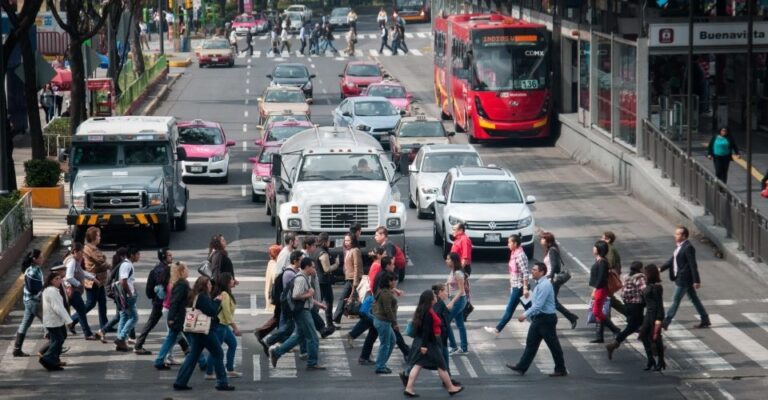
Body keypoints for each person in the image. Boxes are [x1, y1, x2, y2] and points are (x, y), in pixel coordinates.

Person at [506, 262, 567, 377]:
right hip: (540, 318)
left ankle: (561, 368)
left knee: (553, 345)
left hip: (546, 319)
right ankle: (521, 367)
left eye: (534, 270)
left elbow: (538, 305)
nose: (532, 271)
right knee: (531, 343)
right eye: (532, 269)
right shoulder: (540, 284)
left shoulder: (545, 285)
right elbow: (537, 301)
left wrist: (524, 315)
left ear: (542, 272)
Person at [173, 276, 234, 391]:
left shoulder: (194, 296)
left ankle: (180, 382)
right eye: (210, 285)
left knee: (193, 356)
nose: (211, 286)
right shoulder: (202, 297)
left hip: (195, 331)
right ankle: (222, 383)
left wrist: (213, 301)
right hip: (204, 331)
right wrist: (217, 301)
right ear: (205, 286)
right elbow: (211, 311)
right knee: (218, 353)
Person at [403, 290, 464, 397]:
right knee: (441, 365)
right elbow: (427, 330)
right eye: (434, 296)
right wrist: (425, 346)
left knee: (418, 365)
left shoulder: (422, 310)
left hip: (422, 342)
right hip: (429, 343)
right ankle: (450, 387)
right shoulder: (428, 313)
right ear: (430, 300)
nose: (436, 297)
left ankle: (409, 388)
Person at [269, 258, 326, 370]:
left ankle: (277, 352)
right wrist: (309, 294)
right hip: (302, 312)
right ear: (307, 267)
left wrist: (318, 304)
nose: (314, 269)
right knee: (313, 337)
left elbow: (303, 296)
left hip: (303, 310)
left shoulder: (303, 277)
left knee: (299, 336)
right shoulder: (301, 279)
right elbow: (296, 295)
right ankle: (312, 362)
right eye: (313, 267)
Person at [660, 226, 710, 329]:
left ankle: (666, 321)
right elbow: (672, 261)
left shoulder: (688, 247)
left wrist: (696, 280)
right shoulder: (680, 247)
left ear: (684, 236)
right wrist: (660, 269)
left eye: (678, 234)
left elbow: (693, 264)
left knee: (675, 299)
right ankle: (705, 319)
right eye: (675, 233)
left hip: (684, 279)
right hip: (680, 277)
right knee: (694, 299)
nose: (675, 235)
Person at [485, 235, 529, 337]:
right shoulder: (514, 253)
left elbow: (525, 273)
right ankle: (544, 323)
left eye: (509, 242)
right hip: (516, 286)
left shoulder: (520, 255)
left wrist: (525, 288)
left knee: (510, 309)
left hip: (520, 287)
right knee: (531, 308)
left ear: (515, 243)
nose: (508, 244)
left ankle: (497, 329)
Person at [134, 248, 173, 355]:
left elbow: (149, 290)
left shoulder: (154, 270)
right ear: (164, 257)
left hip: (157, 302)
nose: (171, 257)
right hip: (166, 303)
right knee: (175, 327)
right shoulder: (167, 270)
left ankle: (138, 344)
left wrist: (155, 297)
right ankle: (138, 345)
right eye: (169, 255)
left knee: (152, 323)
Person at [154, 261, 191, 370]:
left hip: (175, 315)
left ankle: (160, 359)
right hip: (177, 316)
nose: (188, 270)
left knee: (172, 337)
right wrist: (171, 318)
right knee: (188, 338)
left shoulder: (179, 283)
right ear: (181, 271)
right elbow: (174, 303)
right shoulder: (180, 284)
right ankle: (202, 361)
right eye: (187, 268)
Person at [606, 261, 646, 360]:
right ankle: (613, 344)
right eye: (642, 268)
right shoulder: (639, 278)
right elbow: (644, 290)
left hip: (628, 305)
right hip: (637, 306)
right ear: (640, 269)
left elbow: (623, 293)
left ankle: (614, 344)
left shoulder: (626, 277)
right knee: (637, 326)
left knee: (636, 326)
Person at [206, 273, 242, 379]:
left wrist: (233, 283)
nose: (233, 281)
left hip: (224, 325)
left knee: (233, 344)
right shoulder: (224, 295)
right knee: (216, 349)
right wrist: (235, 327)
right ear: (227, 282)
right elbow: (226, 313)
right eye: (231, 279)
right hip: (220, 326)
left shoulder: (226, 293)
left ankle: (230, 369)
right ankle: (209, 372)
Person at [540, 232, 579, 329]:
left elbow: (555, 266)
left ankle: (569, 317)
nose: (541, 240)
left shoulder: (552, 250)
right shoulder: (550, 250)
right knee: (550, 301)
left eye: (542, 238)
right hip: (550, 280)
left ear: (547, 240)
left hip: (552, 281)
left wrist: (549, 276)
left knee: (552, 302)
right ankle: (570, 317)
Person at [64, 242, 98, 341]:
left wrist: (92, 277)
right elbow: (69, 277)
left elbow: (81, 272)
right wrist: (78, 284)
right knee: (82, 311)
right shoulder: (72, 261)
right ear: (75, 252)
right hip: (73, 291)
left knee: (62, 312)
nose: (82, 254)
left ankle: (49, 332)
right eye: (81, 252)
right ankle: (87, 333)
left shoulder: (74, 260)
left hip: (70, 291)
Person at [81, 227, 110, 341]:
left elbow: (102, 260)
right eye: (98, 235)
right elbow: (100, 261)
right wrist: (107, 264)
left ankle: (105, 325)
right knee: (90, 303)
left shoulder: (94, 248)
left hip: (100, 281)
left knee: (102, 303)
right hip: (92, 281)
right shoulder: (88, 249)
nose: (100, 237)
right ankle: (73, 320)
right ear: (93, 237)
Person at [14, 250, 45, 357]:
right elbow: (33, 288)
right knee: (48, 321)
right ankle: (52, 346)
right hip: (33, 301)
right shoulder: (32, 271)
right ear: (34, 259)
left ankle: (17, 349)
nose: (43, 259)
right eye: (41, 257)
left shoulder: (35, 269)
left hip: (30, 300)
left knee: (25, 323)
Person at [40, 271, 73, 371]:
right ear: (51, 281)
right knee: (58, 340)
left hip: (55, 320)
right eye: (56, 279)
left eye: (60, 278)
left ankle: (55, 359)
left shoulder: (51, 290)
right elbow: (58, 308)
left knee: (61, 337)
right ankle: (47, 358)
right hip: (53, 321)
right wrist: (68, 320)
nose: (59, 280)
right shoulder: (52, 291)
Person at [588, 240, 620, 343]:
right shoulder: (599, 260)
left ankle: (615, 329)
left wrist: (595, 289)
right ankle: (599, 336)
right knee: (598, 312)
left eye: (595, 247)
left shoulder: (602, 262)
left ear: (599, 249)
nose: (593, 248)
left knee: (596, 311)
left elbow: (601, 278)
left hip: (601, 289)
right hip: (599, 289)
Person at [639, 264, 666, 371]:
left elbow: (659, 304)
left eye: (646, 273)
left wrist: (659, 319)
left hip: (655, 315)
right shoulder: (648, 286)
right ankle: (650, 360)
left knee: (656, 338)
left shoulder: (656, 288)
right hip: (648, 314)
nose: (644, 276)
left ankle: (660, 360)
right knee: (643, 335)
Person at [372, 272, 399, 374]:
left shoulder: (384, 291)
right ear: (388, 282)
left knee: (392, 341)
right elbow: (388, 309)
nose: (394, 282)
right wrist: (394, 323)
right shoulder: (385, 294)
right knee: (385, 344)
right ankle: (380, 366)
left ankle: (381, 363)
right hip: (383, 321)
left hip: (382, 321)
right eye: (392, 280)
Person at [115, 247, 141, 352]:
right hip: (126, 296)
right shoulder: (127, 265)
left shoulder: (126, 264)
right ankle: (121, 338)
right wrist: (130, 294)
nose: (139, 256)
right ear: (132, 255)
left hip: (123, 295)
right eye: (138, 254)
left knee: (124, 317)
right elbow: (123, 281)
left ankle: (120, 343)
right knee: (134, 317)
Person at [333, 233, 363, 324]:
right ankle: (337, 319)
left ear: (353, 241)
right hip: (348, 278)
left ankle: (335, 318)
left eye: (348, 240)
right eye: (345, 240)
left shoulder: (355, 250)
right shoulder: (347, 250)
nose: (346, 242)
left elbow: (357, 266)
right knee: (348, 298)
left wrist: (355, 281)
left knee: (344, 298)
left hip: (353, 278)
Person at [444, 252, 468, 355]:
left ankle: (453, 346)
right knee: (460, 324)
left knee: (445, 322)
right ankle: (464, 348)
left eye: (448, 259)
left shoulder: (458, 273)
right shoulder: (453, 271)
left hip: (459, 301)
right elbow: (449, 285)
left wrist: (452, 303)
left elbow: (461, 291)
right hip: (455, 300)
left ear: (453, 261)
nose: (446, 261)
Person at [315, 233, 339, 327]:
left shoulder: (315, 250)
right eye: (328, 240)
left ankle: (324, 322)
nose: (330, 242)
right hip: (323, 280)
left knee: (318, 301)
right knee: (328, 301)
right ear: (325, 241)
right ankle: (329, 323)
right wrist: (336, 264)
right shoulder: (323, 253)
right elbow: (327, 269)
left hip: (317, 279)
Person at [602, 231, 626, 317]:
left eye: (603, 238)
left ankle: (627, 313)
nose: (601, 239)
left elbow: (610, 262)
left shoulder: (609, 248)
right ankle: (606, 317)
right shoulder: (610, 248)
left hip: (609, 277)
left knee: (607, 297)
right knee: (608, 297)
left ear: (608, 240)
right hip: (610, 276)